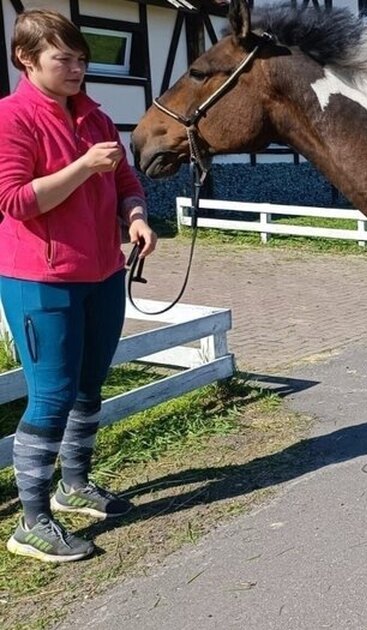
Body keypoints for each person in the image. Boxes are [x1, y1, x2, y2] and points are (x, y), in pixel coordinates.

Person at [0, 8, 157, 563]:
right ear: (27, 59)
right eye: (62, 58)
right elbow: (15, 200)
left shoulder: (95, 115)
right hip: (40, 279)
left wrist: (135, 215)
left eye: (82, 59)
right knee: (50, 396)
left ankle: (75, 486)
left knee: (90, 386)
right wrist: (84, 167)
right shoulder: (11, 118)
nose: (76, 68)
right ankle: (32, 522)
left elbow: (125, 180)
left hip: (102, 273)